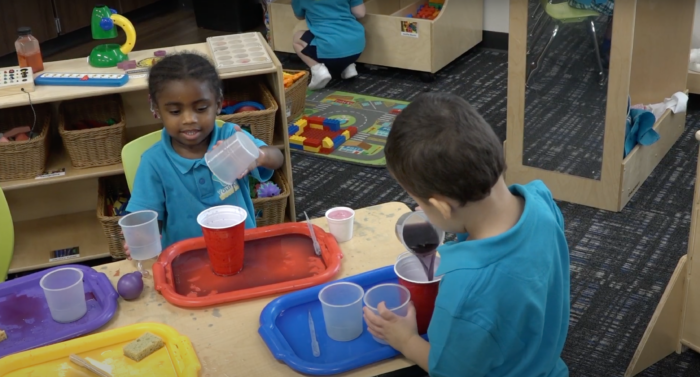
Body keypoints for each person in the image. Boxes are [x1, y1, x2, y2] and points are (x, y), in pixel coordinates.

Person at [364, 93, 571, 376]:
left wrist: (406, 340)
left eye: (422, 203)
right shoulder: (540, 200)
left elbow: (451, 371)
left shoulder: (468, 289)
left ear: (441, 206)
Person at [124, 52, 284, 252]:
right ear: (155, 109)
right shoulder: (153, 161)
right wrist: (142, 235)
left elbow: (277, 158)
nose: (189, 119)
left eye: (200, 108)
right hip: (186, 257)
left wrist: (257, 156)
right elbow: (145, 215)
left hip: (241, 246)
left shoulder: (229, 138)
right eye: (175, 112)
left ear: (218, 104)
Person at [291, 0, 366, 90]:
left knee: (297, 37)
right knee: (341, 40)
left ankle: (318, 69)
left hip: (330, 49)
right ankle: (347, 67)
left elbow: (299, 16)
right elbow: (360, 13)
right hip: (356, 48)